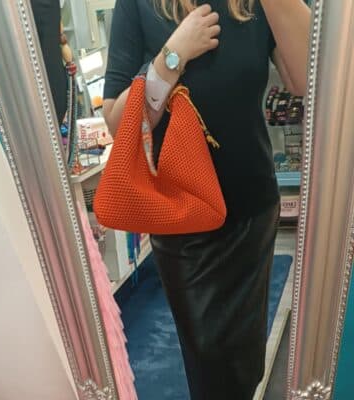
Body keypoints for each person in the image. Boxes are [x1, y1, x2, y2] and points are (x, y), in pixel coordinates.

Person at [103, 0, 310, 398]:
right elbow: (117, 122)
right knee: (210, 367)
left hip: (252, 212)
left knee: (246, 367)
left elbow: (306, 79)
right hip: (184, 224)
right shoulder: (138, 5)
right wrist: (172, 57)